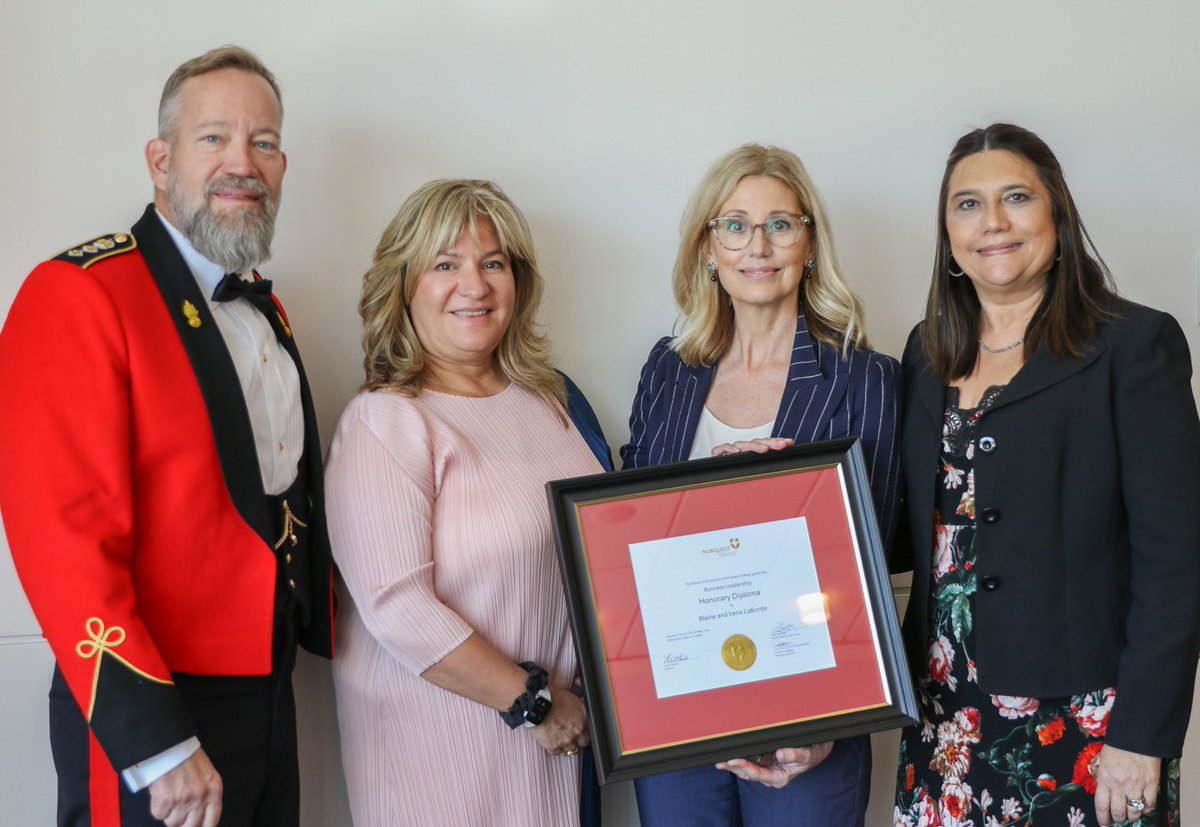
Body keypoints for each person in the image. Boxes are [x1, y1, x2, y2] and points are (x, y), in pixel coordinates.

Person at [0, 46, 333, 827]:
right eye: (213, 137)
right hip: (156, 711)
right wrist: (156, 740)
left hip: (271, 691)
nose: (242, 164)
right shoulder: (80, 293)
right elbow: (62, 539)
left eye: (265, 142)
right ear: (161, 160)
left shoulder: (268, 312)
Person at [892, 123, 1199, 827]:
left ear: (1056, 213)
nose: (992, 221)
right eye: (967, 204)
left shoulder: (1131, 346)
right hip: (942, 719)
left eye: (1016, 198)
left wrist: (1141, 737)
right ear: (947, 231)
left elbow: (1176, 560)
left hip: (1086, 727)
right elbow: (920, 529)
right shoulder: (926, 351)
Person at [622, 143, 899, 827]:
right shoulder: (669, 368)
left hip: (807, 716)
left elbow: (878, 564)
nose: (759, 245)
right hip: (676, 706)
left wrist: (830, 724)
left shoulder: (868, 379)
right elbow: (628, 529)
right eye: (735, 224)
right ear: (708, 247)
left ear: (809, 243)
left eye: (781, 224)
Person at [325, 178, 611, 826]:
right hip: (446, 752)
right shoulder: (387, 421)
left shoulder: (554, 400)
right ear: (404, 285)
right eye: (446, 264)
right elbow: (398, 606)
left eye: (493, 263)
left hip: (562, 748)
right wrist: (532, 702)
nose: (475, 286)